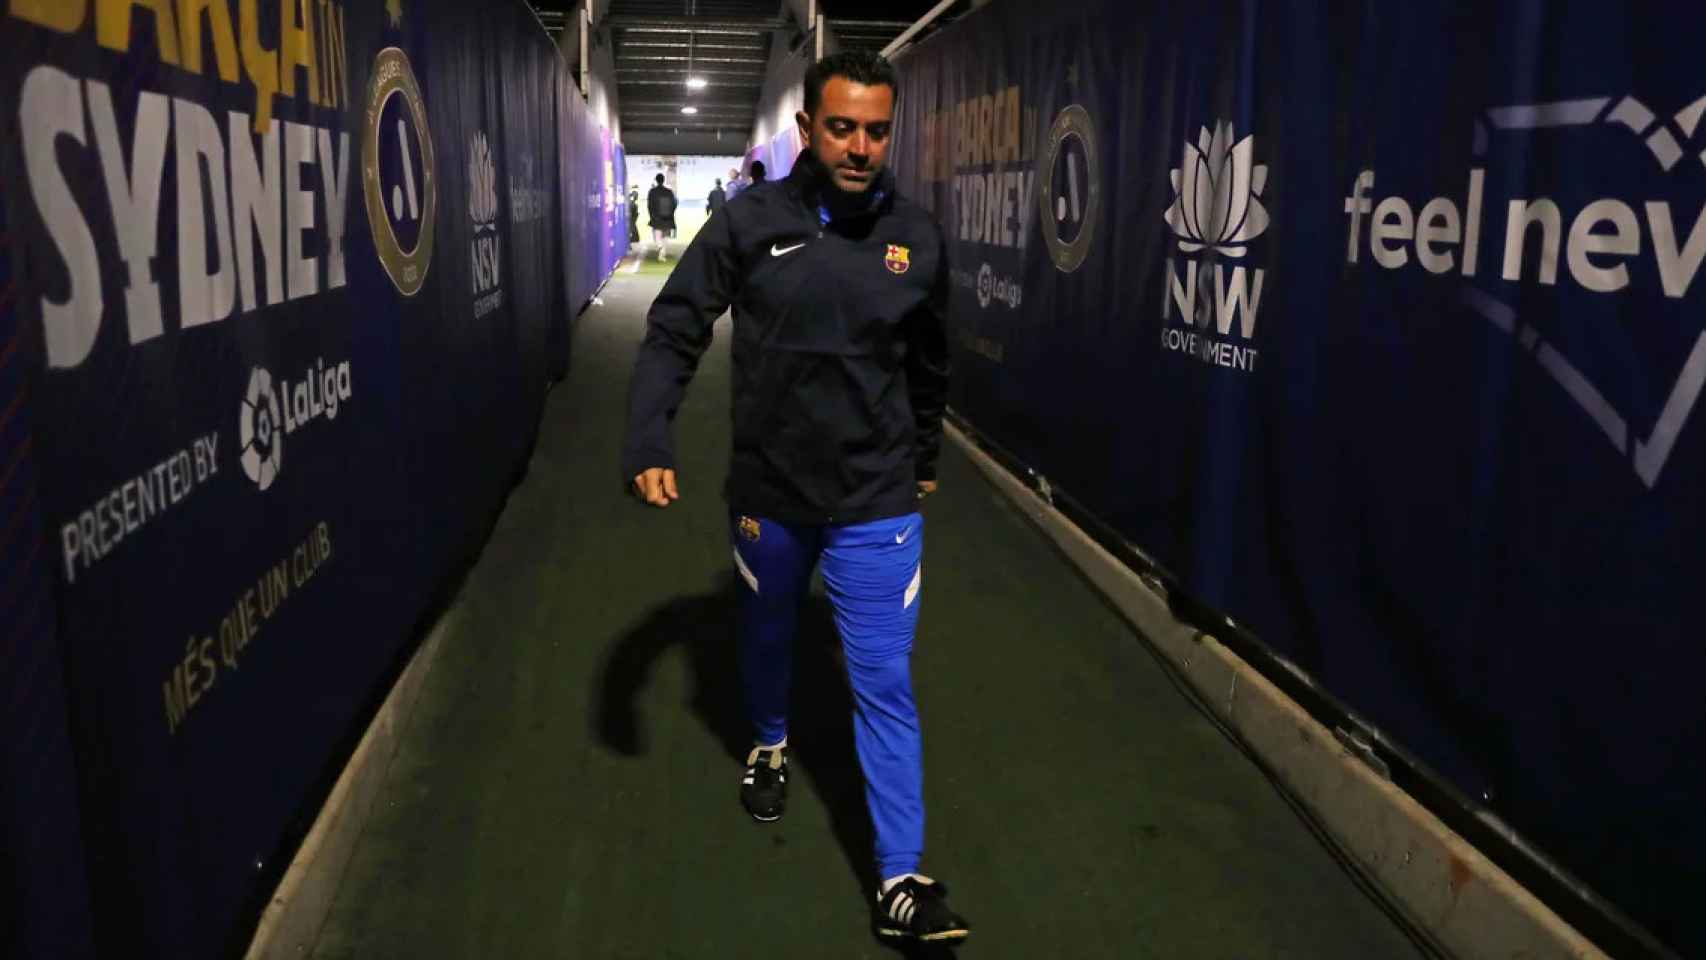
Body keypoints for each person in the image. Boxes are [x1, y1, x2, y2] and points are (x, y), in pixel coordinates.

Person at [621, 50, 967, 944]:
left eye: (877, 131)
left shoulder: (918, 238)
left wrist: (922, 453)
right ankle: (769, 742)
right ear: (808, 130)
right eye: (843, 127)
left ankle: (901, 879)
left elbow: (929, 364)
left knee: (885, 684)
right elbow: (675, 326)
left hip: (878, 500)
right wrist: (649, 434)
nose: (860, 147)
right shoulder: (748, 223)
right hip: (770, 495)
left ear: (894, 131)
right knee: (768, 635)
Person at [646, 173, 677, 261]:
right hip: (668, 217)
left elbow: (649, 205)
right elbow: (674, 204)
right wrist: (671, 213)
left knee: (657, 235)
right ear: (663, 180)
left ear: (656, 180)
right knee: (666, 236)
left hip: (656, 217)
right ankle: (662, 254)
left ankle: (660, 247)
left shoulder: (652, 191)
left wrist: (651, 215)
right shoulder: (669, 192)